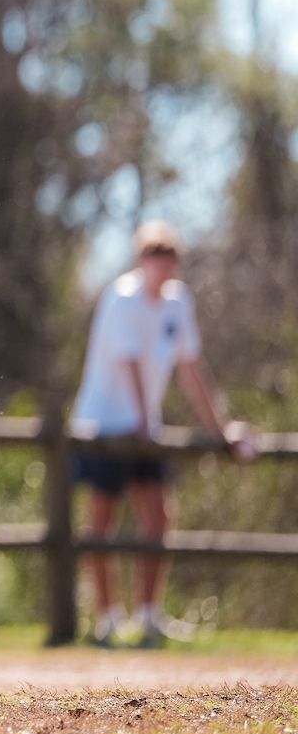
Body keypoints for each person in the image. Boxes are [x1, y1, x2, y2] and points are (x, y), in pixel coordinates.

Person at [69, 220, 256, 646]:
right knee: (102, 520)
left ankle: (150, 616)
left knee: (159, 516)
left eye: (169, 258)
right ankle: (107, 619)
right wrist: (142, 421)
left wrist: (220, 427)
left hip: (143, 428)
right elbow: (132, 365)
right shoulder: (121, 298)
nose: (162, 267)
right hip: (104, 425)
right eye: (154, 257)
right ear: (141, 261)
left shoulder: (178, 303)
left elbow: (192, 370)